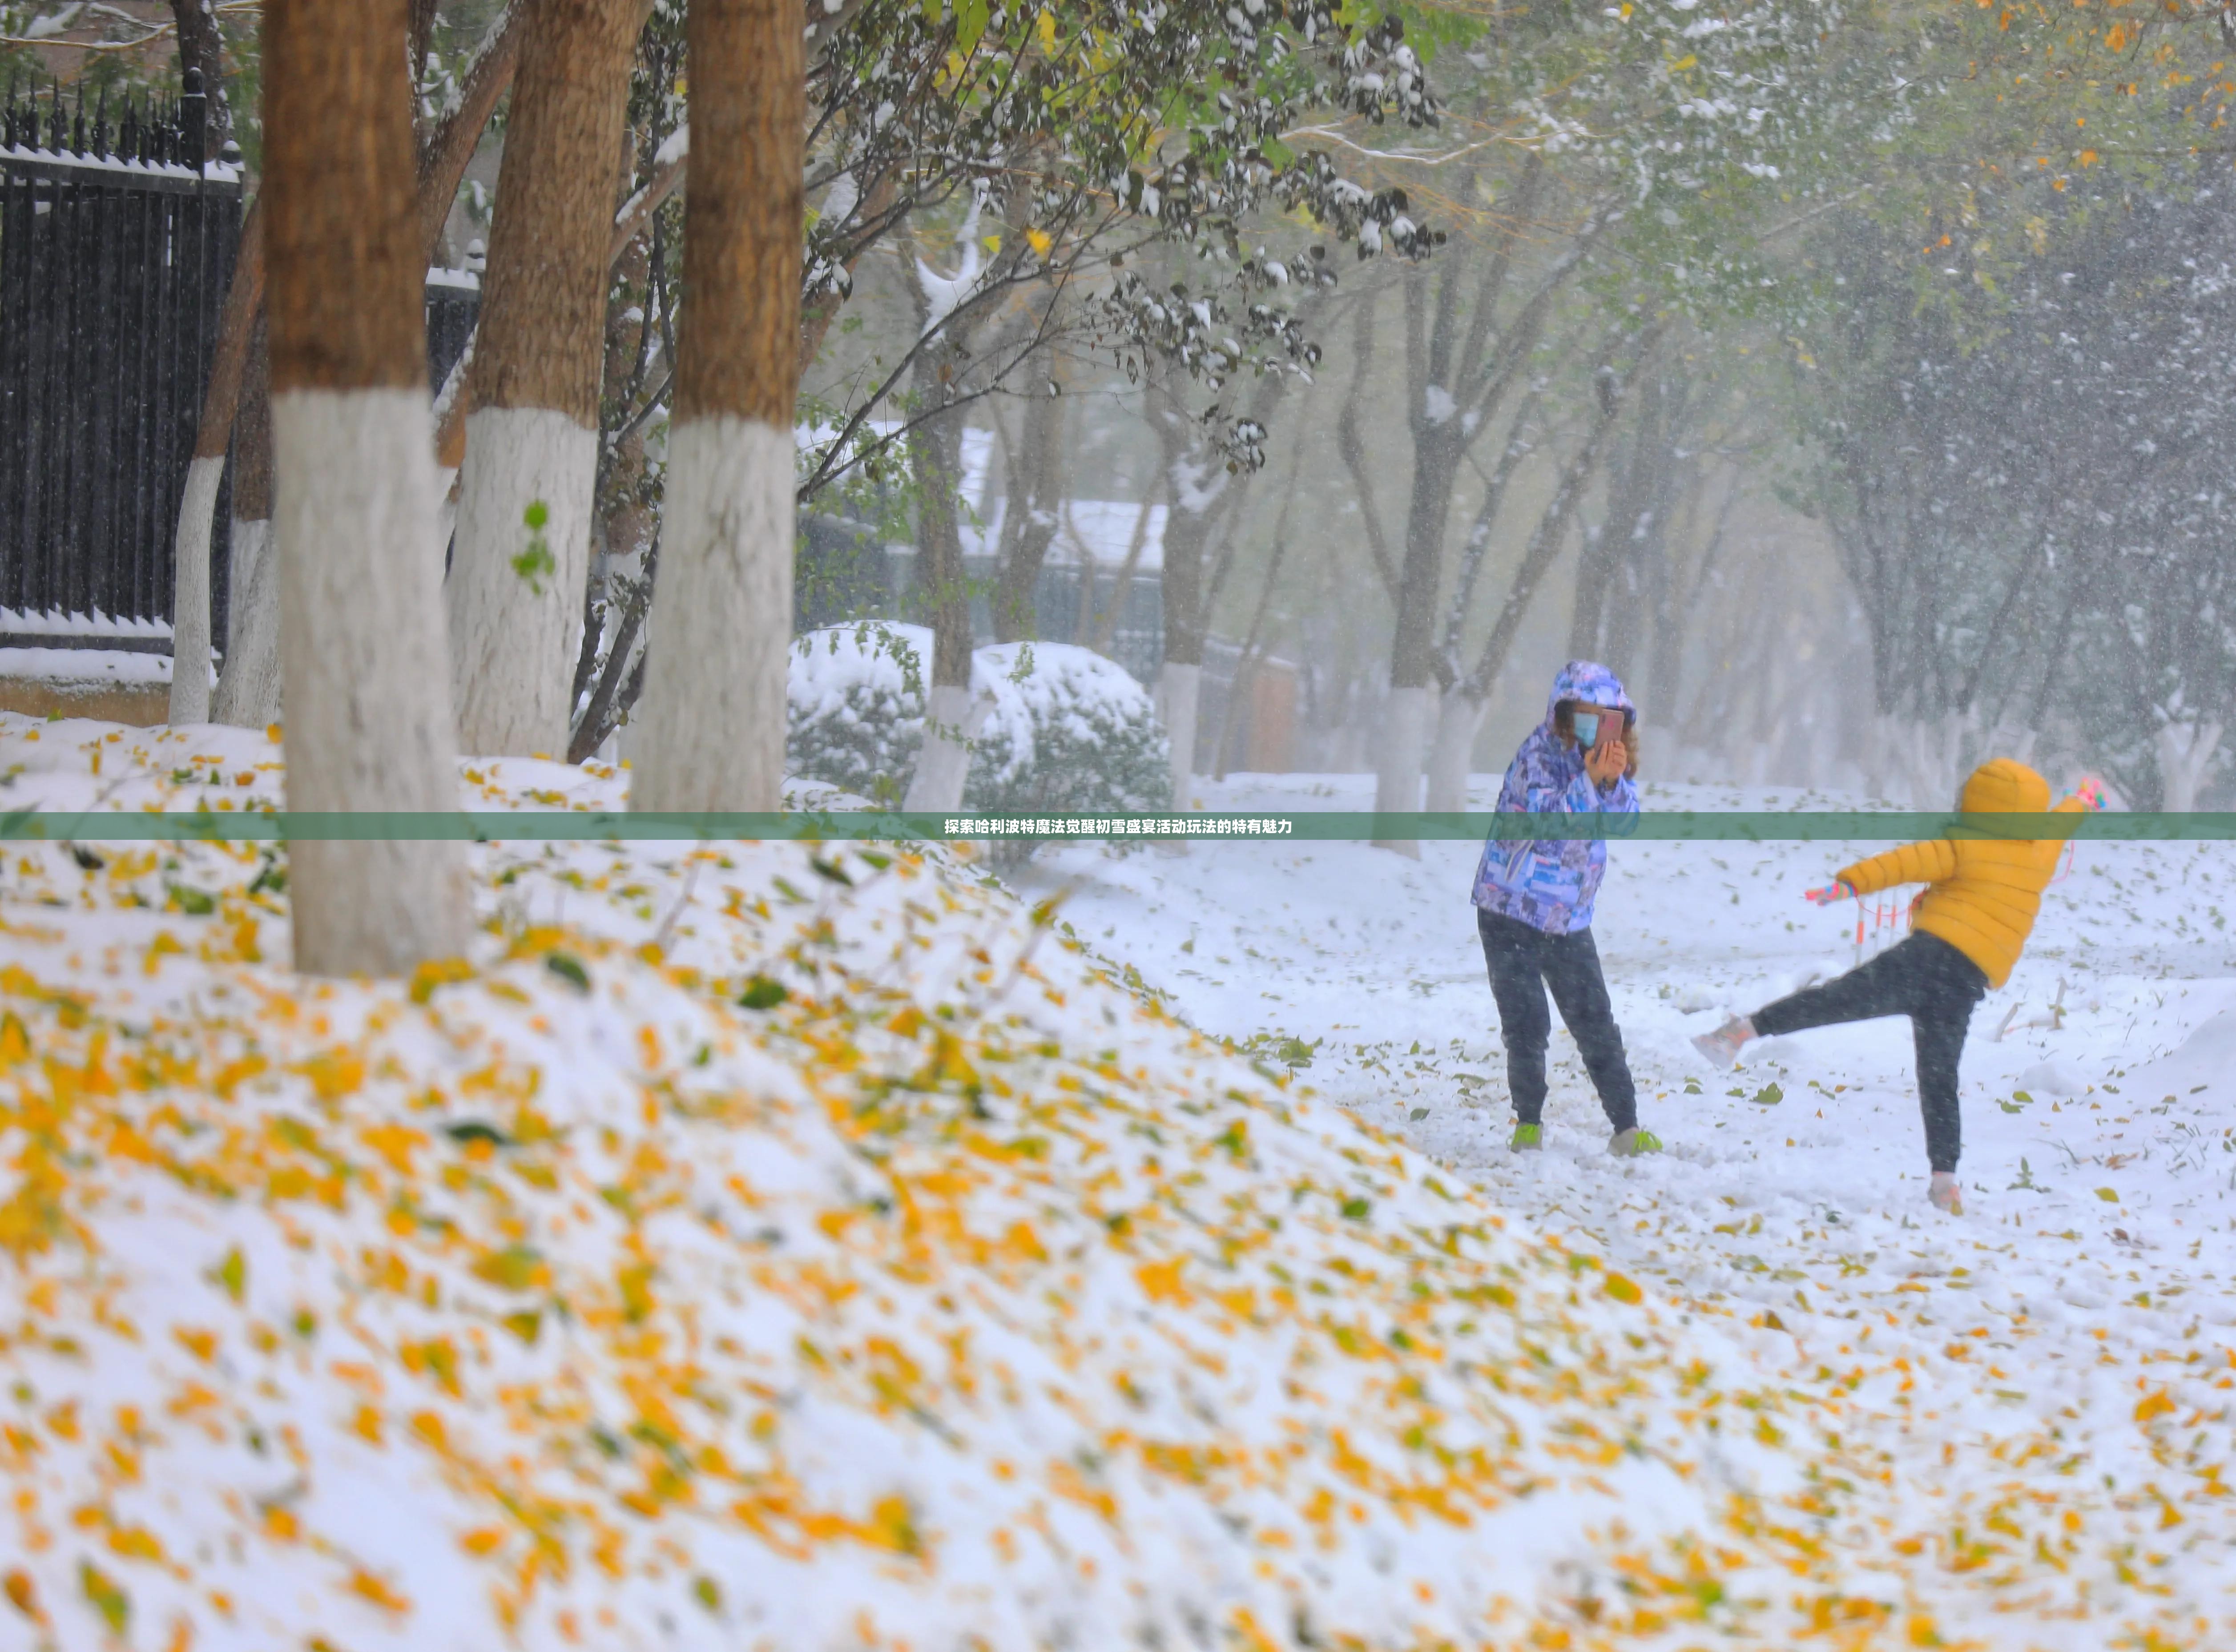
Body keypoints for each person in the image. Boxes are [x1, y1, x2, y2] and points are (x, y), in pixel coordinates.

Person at [1691, 758, 2097, 1214]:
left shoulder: (1964, 845)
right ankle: (1945, 1182)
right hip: (1962, 983)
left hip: (1924, 961)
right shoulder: (2039, 849)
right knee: (1939, 1079)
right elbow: (2063, 821)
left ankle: (1737, 1033)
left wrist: (1849, 884)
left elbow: (1904, 864)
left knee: (1833, 1002)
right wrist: (2083, 798)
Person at [1472, 661, 1656, 1156]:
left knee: (1595, 1022)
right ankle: (1528, 1124)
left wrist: (1611, 783)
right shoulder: (1537, 754)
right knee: (1526, 1023)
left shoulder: (1607, 761)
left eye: (1609, 716)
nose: (1598, 725)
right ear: (1565, 714)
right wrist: (1587, 781)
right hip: (1508, 910)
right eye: (1587, 714)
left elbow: (1625, 823)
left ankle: (1626, 1129)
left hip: (1567, 918)